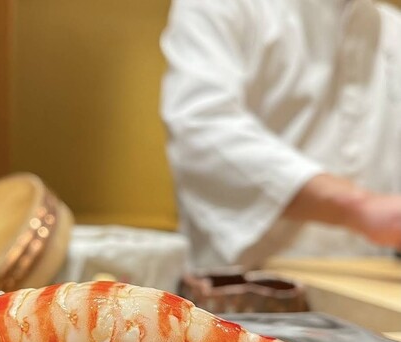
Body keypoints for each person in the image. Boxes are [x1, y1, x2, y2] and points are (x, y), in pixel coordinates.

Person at [160, 0, 401, 270]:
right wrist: (358, 207)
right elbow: (201, 128)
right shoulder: (223, 6)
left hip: (372, 280)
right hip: (240, 278)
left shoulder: (394, 29)